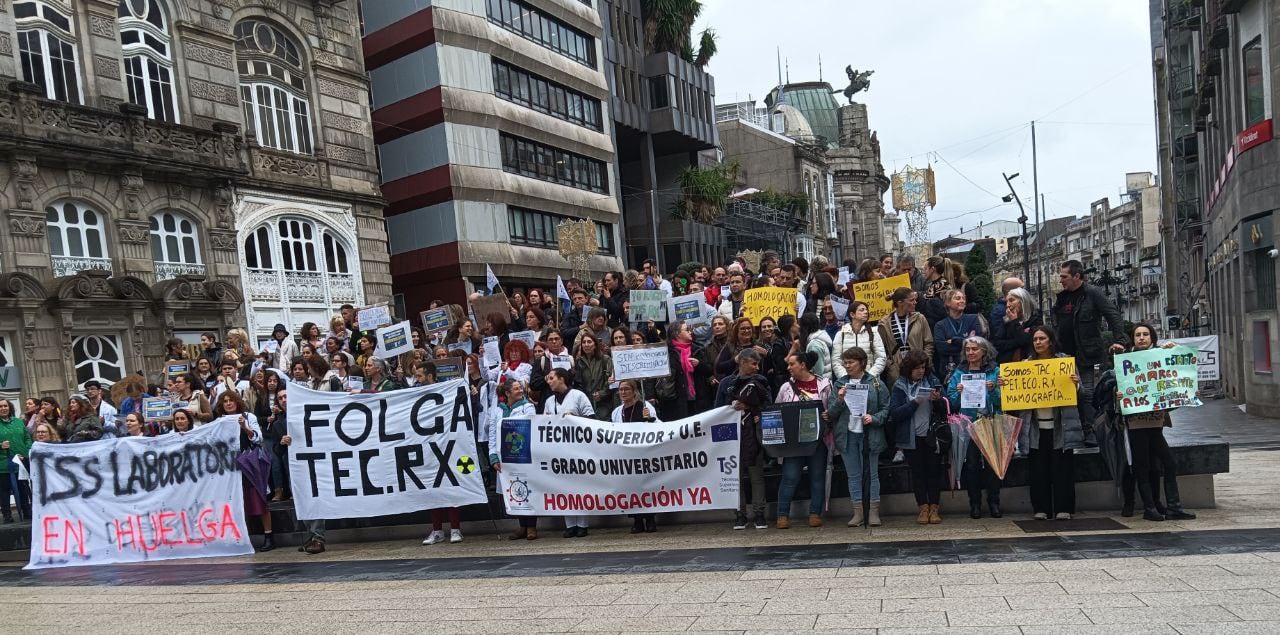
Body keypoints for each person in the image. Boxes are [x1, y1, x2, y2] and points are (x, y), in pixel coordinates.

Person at [1123, 323, 1197, 522]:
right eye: (1137, 335)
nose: (1141, 338)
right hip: (1136, 423)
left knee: (1169, 463)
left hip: (1156, 422)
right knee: (1142, 465)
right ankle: (1150, 507)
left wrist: (1187, 391)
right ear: (1133, 339)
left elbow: (1176, 381)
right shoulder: (1126, 360)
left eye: (1145, 334)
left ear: (1152, 338)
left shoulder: (1162, 356)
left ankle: (1173, 506)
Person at [1052, 259, 1129, 443]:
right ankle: (1075, 430)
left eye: (1064, 276)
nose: (1061, 280)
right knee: (1068, 394)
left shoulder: (1092, 293)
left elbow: (1112, 314)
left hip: (1086, 353)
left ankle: (1090, 430)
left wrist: (1120, 340)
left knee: (1086, 392)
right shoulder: (1061, 297)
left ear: (1076, 276)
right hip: (1064, 355)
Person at [1014, 326, 1086, 521]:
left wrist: (1076, 383)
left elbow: (1080, 394)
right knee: (1038, 470)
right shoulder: (1025, 365)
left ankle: (1064, 507)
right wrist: (1008, 385)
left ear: (1051, 341)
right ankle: (1041, 508)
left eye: (1042, 338)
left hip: (1060, 427)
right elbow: (1016, 396)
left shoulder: (1064, 362)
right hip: (1036, 429)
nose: (1038, 342)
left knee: (1063, 469)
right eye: (1035, 339)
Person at [826, 347, 890, 527]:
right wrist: (839, 399)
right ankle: (858, 512)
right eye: (845, 362)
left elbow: (886, 408)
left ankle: (873, 512)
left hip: (871, 434)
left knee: (872, 473)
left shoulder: (876, 383)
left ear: (862, 362)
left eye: (851, 362)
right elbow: (830, 413)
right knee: (853, 475)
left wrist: (874, 418)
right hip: (848, 435)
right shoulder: (839, 384)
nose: (847, 366)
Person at [944, 336, 1004, 519]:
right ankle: (975, 504)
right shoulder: (958, 373)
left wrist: (993, 390)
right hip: (967, 424)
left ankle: (994, 503)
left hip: (990, 421)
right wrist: (958, 392)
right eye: (968, 349)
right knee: (971, 465)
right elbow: (951, 403)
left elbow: (1004, 400)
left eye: (974, 349)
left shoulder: (995, 371)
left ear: (984, 351)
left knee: (994, 465)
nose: (970, 352)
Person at [773, 350, 831, 529]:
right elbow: (776, 410)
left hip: (817, 440)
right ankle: (782, 515)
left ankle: (815, 513)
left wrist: (829, 415)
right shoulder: (786, 388)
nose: (788, 367)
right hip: (793, 443)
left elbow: (831, 407)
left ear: (803, 365)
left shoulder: (825, 384)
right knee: (790, 477)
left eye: (792, 364)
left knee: (817, 476)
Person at [889, 350, 947, 525]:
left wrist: (937, 400)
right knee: (918, 474)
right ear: (908, 369)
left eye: (923, 367)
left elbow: (947, 407)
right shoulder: (899, 385)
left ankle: (935, 507)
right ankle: (923, 507)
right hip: (911, 437)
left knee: (934, 472)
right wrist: (914, 403)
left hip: (932, 435)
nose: (920, 371)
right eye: (916, 368)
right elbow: (895, 414)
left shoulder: (933, 381)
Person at [716, 349, 771, 530]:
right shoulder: (726, 383)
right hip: (732, 436)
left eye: (758, 364)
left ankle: (759, 513)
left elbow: (768, 406)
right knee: (735, 477)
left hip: (754, 435)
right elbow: (717, 410)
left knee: (757, 476)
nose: (756, 368)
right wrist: (732, 408)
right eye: (753, 364)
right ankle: (739, 514)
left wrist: (751, 407)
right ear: (742, 363)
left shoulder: (761, 381)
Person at [213, 390, 273, 551]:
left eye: (231, 400)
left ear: (237, 401)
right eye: (224, 401)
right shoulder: (219, 421)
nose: (228, 403)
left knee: (259, 498)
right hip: (229, 467)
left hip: (250, 463)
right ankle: (241, 537)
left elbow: (258, 438)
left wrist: (244, 427)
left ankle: (268, 536)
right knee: (237, 502)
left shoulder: (248, 417)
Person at [542, 368, 594, 537]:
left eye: (551, 378)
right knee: (564, 487)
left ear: (562, 379)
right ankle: (570, 524)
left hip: (578, 449)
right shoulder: (550, 401)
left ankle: (583, 524)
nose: (548, 381)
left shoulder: (578, 396)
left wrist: (575, 418)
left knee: (581, 486)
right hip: (559, 450)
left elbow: (592, 420)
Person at [490, 380, 539, 540]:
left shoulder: (528, 406)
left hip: (523, 454)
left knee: (528, 488)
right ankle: (522, 526)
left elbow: (531, 426)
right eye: (516, 389)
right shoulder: (497, 410)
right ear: (507, 393)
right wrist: (493, 456)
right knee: (514, 490)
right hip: (505, 457)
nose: (520, 391)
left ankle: (532, 526)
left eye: (520, 388)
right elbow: (492, 433)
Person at [612, 379, 661, 533]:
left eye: (626, 389)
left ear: (634, 391)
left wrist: (650, 418)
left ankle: (650, 519)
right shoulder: (616, 412)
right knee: (631, 488)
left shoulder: (645, 406)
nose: (623, 392)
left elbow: (660, 427)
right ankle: (637, 520)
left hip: (644, 454)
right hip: (626, 455)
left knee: (647, 487)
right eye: (620, 390)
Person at [878, 288, 934, 388]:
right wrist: (891, 366)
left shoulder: (920, 318)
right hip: (897, 369)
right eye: (911, 300)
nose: (915, 302)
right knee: (900, 399)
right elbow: (882, 348)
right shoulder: (884, 323)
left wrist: (925, 361)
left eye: (915, 300)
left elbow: (928, 342)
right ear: (900, 303)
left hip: (919, 366)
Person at [932, 289, 987, 380]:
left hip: (971, 370)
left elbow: (978, 343)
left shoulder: (973, 319)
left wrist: (954, 341)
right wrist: (967, 341)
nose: (962, 301)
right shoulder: (940, 325)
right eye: (958, 298)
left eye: (963, 298)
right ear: (948, 303)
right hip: (949, 372)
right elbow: (942, 348)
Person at [661, 321, 711, 419]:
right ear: (677, 333)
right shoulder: (667, 353)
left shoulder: (698, 349)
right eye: (687, 330)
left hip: (698, 400)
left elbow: (710, 370)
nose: (690, 332)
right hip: (677, 402)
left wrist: (699, 364)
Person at [832, 300, 887, 381]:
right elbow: (836, 361)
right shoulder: (841, 334)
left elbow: (881, 357)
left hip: (869, 380)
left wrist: (869, 376)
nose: (866, 312)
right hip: (847, 381)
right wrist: (845, 378)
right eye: (862, 310)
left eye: (866, 310)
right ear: (852, 314)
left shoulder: (873, 333)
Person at [0, 399, 33, 522]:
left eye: (5, 406)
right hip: (3, 464)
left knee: (23, 488)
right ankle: (7, 515)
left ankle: (27, 512)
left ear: (10, 407)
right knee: (4, 491)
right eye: (0, 406)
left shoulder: (18, 422)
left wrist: (27, 451)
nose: (3, 408)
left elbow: (27, 438)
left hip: (20, 462)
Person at [994, 287, 1042, 364]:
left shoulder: (1035, 319)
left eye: (1012, 300)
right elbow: (998, 344)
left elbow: (1027, 341)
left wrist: (1015, 322)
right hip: (1008, 364)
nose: (1008, 305)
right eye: (1007, 301)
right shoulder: (1006, 321)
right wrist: (1018, 340)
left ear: (1023, 301)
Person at [574, 332, 614, 420]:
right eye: (584, 342)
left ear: (595, 345)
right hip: (586, 404)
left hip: (603, 404)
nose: (586, 345)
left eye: (589, 342)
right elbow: (577, 383)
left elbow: (611, 381)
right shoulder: (579, 362)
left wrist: (602, 393)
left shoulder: (605, 359)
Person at [796, 313, 833, 379]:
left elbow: (818, 373)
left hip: (819, 386)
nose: (798, 327)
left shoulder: (814, 345)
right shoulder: (814, 341)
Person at [920, 256, 954, 326]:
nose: (923, 272)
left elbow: (943, 311)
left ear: (932, 269)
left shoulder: (943, 285)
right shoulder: (934, 284)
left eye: (925, 269)